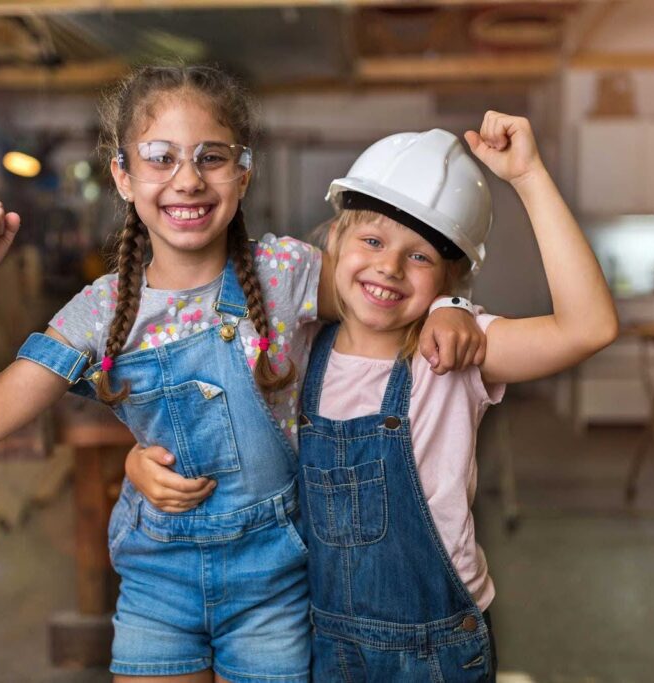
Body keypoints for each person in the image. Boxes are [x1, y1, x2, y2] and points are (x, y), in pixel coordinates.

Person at [0, 63, 483, 683]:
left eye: (211, 158)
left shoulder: (284, 274)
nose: (187, 180)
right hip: (157, 586)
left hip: (276, 585)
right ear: (123, 174)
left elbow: (386, 281)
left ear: (243, 172)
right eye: (160, 157)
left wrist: (449, 305)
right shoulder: (99, 311)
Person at [127, 112, 618, 680]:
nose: (388, 266)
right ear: (335, 240)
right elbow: (217, 432)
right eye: (372, 239)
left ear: (450, 280)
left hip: (435, 652)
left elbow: (590, 328)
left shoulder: (454, 355)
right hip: (318, 639)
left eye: (420, 256)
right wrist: (139, 463)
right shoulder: (296, 349)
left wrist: (528, 176)